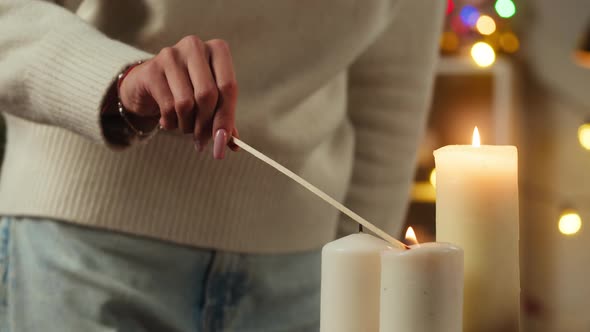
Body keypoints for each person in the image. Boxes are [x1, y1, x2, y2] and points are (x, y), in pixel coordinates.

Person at [0, 0, 444, 331]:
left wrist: (365, 287)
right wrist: (117, 80)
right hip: (80, 255)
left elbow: (391, 92)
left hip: (304, 276)